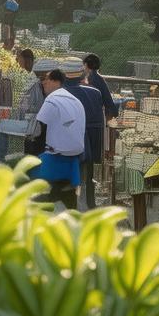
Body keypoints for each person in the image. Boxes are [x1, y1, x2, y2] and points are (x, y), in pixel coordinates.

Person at [33, 68, 86, 209]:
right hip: (76, 153)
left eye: (47, 79)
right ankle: (62, 195)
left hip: (57, 154)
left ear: (56, 81)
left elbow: (38, 127)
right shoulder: (74, 100)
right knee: (63, 191)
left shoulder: (52, 99)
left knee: (27, 169)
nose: (43, 82)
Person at [59, 58, 106, 208]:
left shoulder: (60, 94)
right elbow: (99, 122)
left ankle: (68, 206)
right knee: (88, 177)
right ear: (81, 74)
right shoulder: (95, 93)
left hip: (67, 143)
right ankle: (90, 207)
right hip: (90, 144)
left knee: (66, 177)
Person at [83, 53, 118, 120]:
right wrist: (114, 113)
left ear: (86, 65)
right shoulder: (99, 79)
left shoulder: (83, 78)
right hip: (96, 115)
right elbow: (108, 100)